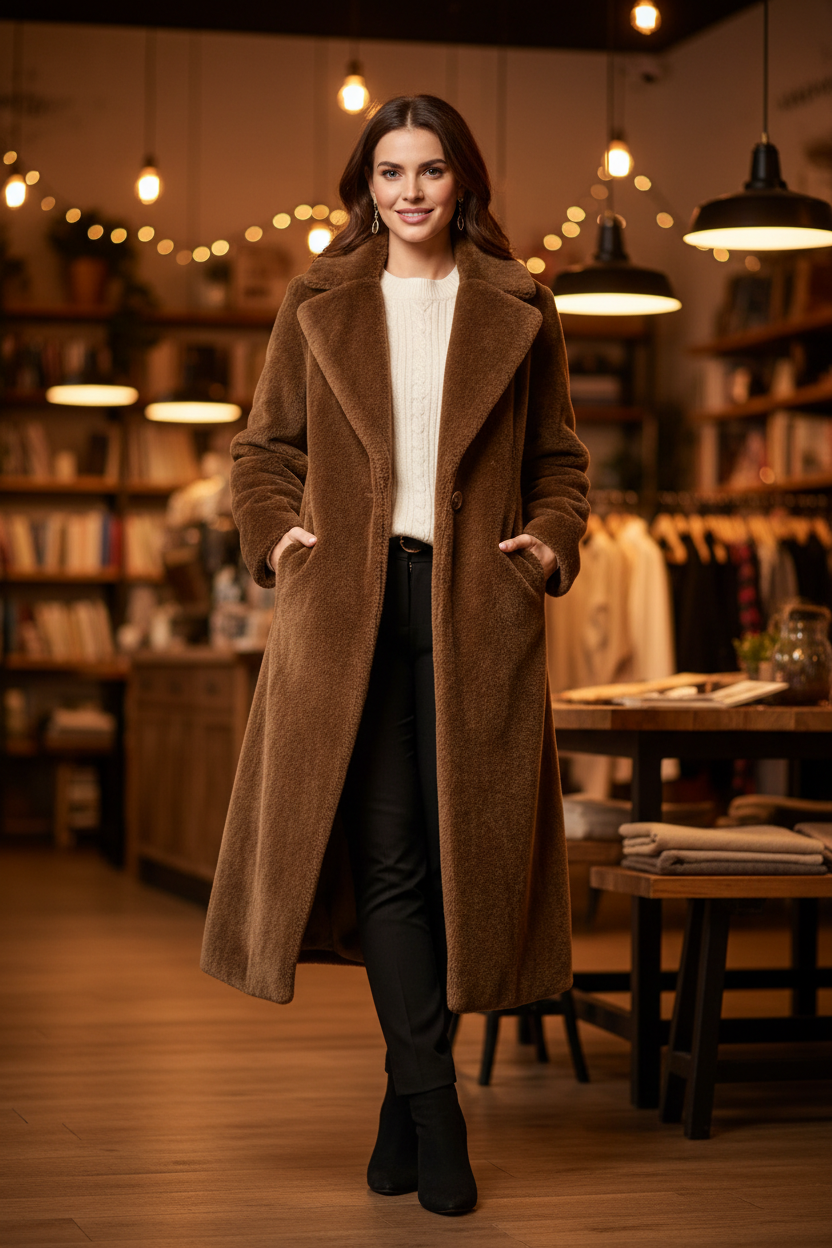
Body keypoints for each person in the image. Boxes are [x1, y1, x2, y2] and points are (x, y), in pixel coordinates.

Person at [201, 94, 590, 1217]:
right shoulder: (318, 298)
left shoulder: (520, 303)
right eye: (388, 172)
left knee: (455, 857)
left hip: (478, 606)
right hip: (348, 610)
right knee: (387, 860)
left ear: (462, 180)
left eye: (428, 170)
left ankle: (400, 1098)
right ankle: (434, 1108)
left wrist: (544, 550)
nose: (409, 191)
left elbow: (562, 466)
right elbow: (262, 450)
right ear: (362, 186)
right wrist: (282, 541)